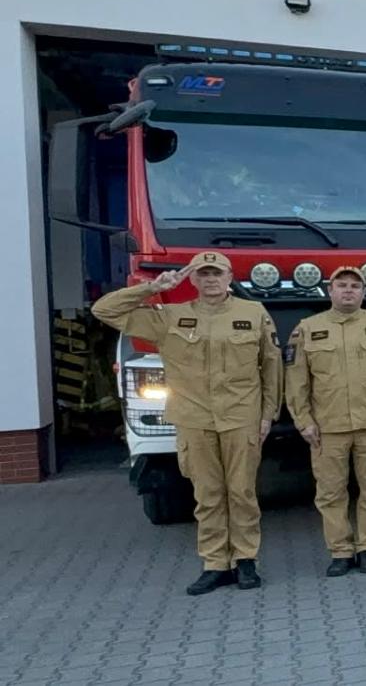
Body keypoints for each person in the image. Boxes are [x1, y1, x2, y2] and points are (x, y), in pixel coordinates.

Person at [92, 251, 281, 595]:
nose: (210, 279)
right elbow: (103, 310)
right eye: (203, 274)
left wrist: (267, 414)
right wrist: (152, 288)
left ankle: (246, 561)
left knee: (241, 492)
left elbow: (271, 368)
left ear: (229, 278)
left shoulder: (252, 314)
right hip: (194, 419)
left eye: (217, 273)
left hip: (241, 417)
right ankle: (215, 564)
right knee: (207, 495)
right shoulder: (170, 317)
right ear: (192, 280)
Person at [285, 266, 366, 577]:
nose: (349, 290)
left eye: (355, 285)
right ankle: (340, 550)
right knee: (330, 493)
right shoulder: (307, 330)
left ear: (364, 292)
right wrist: (303, 421)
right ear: (330, 290)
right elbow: (296, 381)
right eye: (342, 285)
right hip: (327, 429)